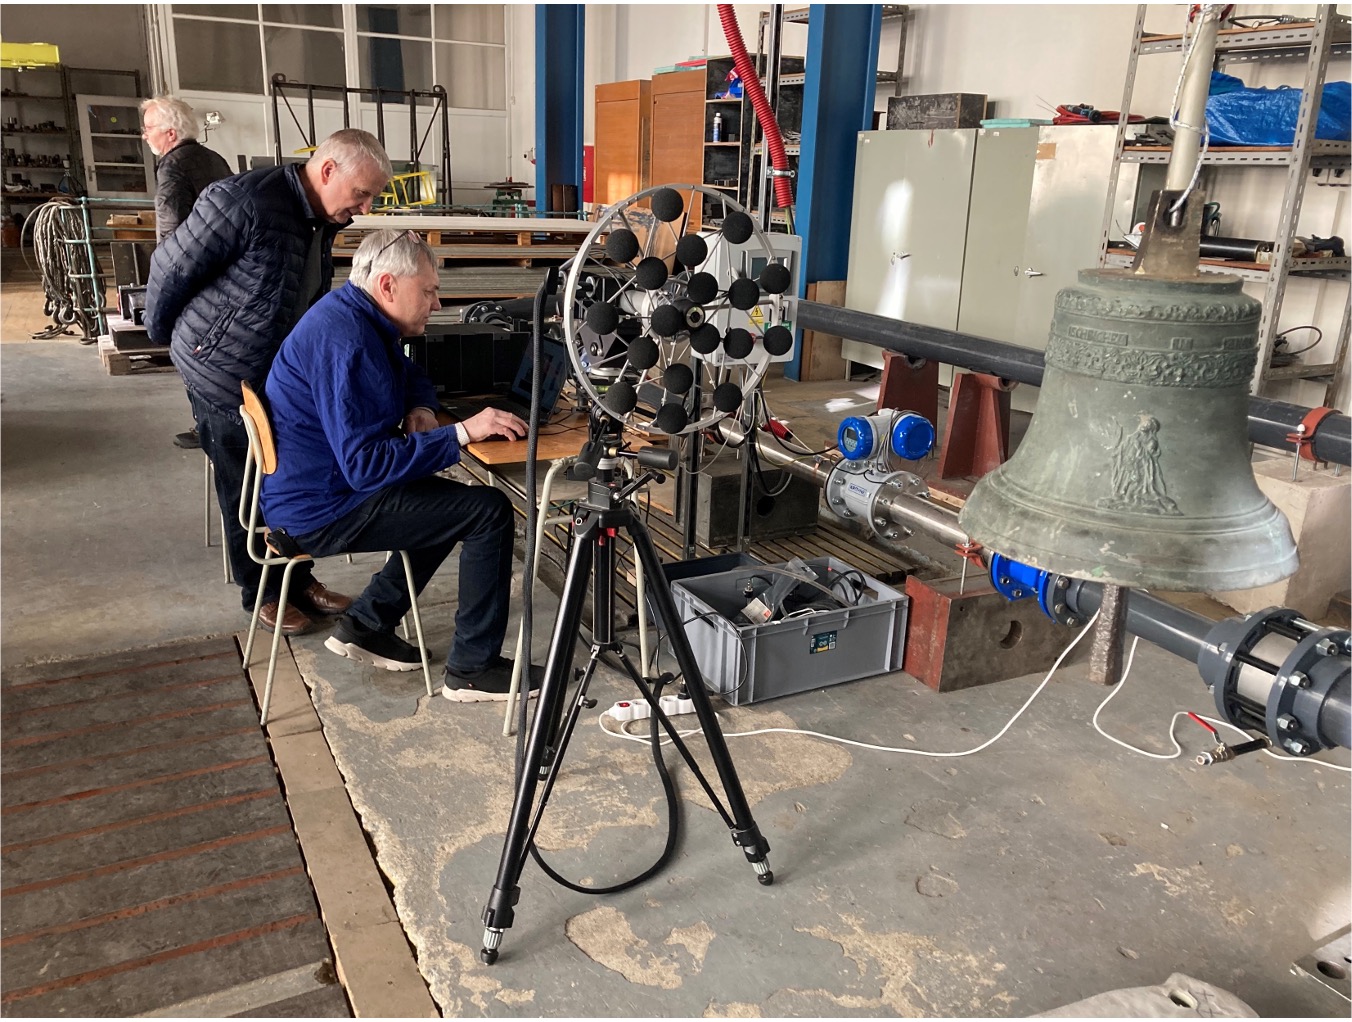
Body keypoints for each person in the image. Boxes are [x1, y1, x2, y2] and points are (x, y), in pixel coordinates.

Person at [261, 228, 541, 702]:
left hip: (319, 489)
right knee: (488, 510)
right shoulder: (347, 342)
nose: (436, 303)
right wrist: (462, 432)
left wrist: (423, 408)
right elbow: (366, 466)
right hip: (321, 509)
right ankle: (473, 669)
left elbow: (411, 373)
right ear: (388, 285)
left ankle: (368, 624)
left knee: (447, 505)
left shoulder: (358, 316)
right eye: (428, 291)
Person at [145, 129, 393, 636]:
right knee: (244, 481)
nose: (365, 208)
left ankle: (298, 579)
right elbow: (170, 268)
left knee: (284, 476)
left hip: (271, 372)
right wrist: (183, 343)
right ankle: (260, 592)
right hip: (221, 372)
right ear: (327, 171)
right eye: (361, 193)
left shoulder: (321, 216)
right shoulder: (244, 200)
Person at [139, 96, 233, 451]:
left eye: (149, 129)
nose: (145, 135)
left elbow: (171, 234)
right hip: (226, 272)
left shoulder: (172, 167)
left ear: (170, 133)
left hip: (194, 277)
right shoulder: (215, 159)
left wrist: (162, 288)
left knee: (192, 352)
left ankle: (206, 427)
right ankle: (224, 422)